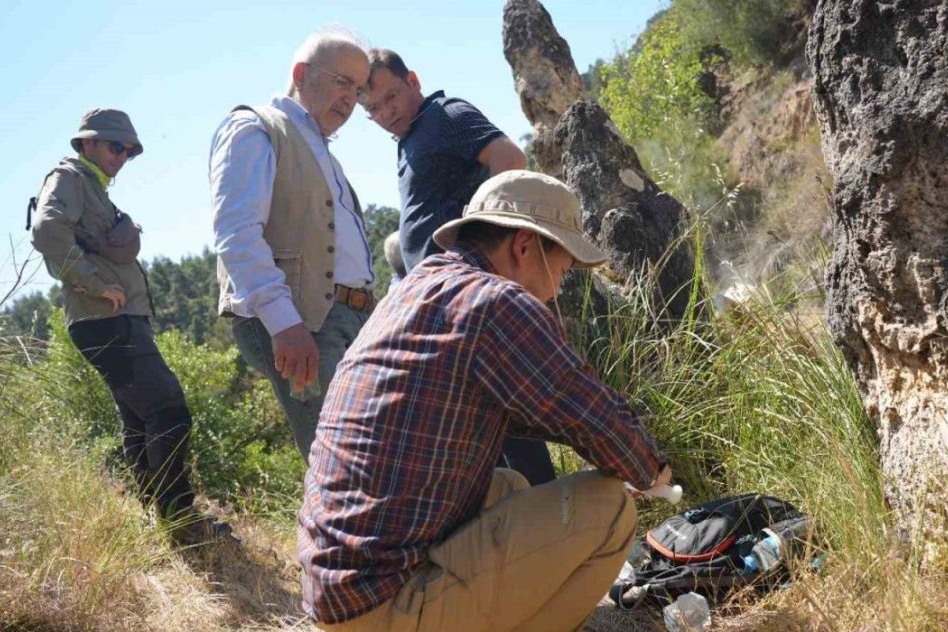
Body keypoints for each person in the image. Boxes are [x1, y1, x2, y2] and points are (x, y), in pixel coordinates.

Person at [298, 170, 671, 632]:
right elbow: (595, 418)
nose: (558, 288)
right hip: (388, 613)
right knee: (609, 507)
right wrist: (652, 470)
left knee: (508, 488)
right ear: (523, 247)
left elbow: (541, 410)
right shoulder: (498, 303)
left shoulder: (416, 291)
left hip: (344, 599)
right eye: (561, 267)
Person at [31, 108, 228, 543]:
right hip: (105, 320)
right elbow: (46, 230)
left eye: (129, 150)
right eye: (114, 146)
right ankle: (182, 522)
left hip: (117, 320)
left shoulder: (93, 187)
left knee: (141, 419)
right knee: (168, 410)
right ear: (87, 143)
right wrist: (95, 283)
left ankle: (159, 523)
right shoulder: (70, 178)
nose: (123, 156)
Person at [360, 48, 556, 485]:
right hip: (441, 300)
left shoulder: (443, 114)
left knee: (499, 405)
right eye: (372, 109)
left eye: (391, 97)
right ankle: (518, 521)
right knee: (476, 415)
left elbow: (510, 160)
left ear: (413, 80)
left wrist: (481, 242)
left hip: (466, 294)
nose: (385, 112)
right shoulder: (410, 138)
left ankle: (546, 504)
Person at [210, 27, 375, 460]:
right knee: (343, 464)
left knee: (361, 457)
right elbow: (236, 232)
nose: (351, 100)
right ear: (302, 74)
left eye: (358, 90)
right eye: (343, 82)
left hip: (345, 321)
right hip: (304, 323)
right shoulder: (254, 127)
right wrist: (285, 323)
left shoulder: (318, 147)